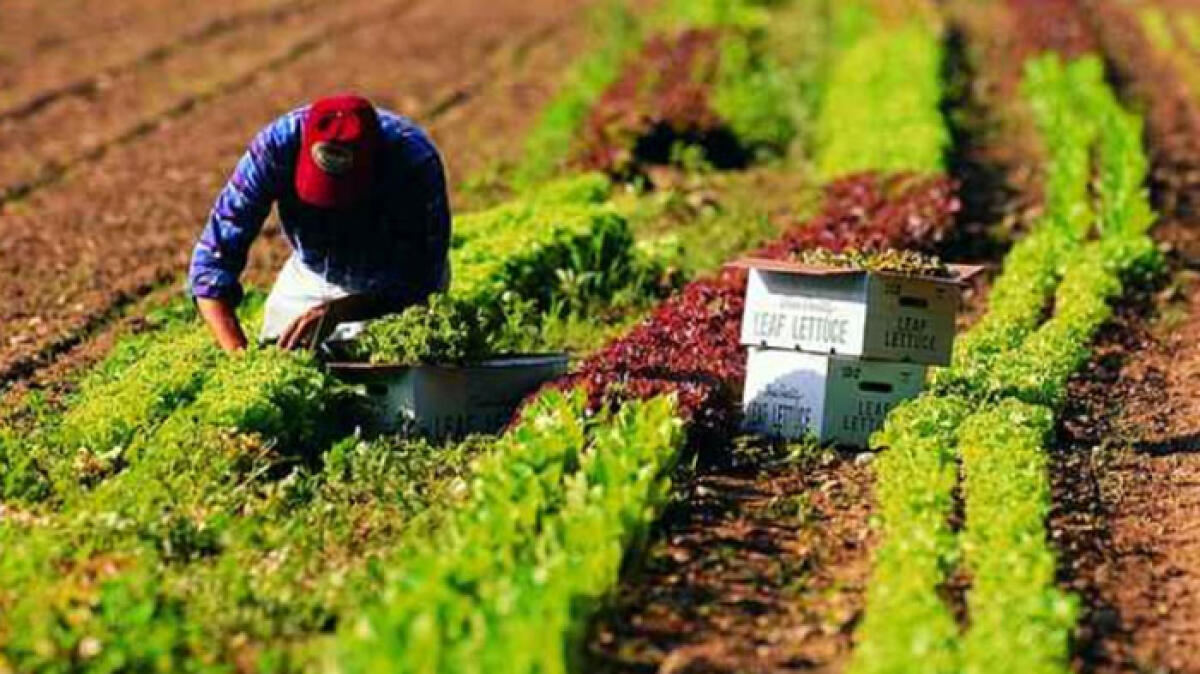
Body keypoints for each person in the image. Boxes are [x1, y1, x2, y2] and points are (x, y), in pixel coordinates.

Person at [187, 94, 451, 352]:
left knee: (384, 379)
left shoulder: (413, 162)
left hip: (388, 286)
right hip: (311, 274)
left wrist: (340, 311)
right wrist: (238, 357)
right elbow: (213, 259)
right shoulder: (277, 147)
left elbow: (419, 281)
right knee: (281, 349)